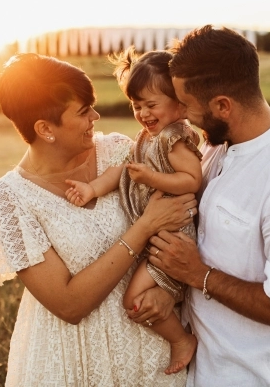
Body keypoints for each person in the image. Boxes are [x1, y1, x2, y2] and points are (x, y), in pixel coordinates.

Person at [0, 53, 198, 386]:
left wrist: (170, 291)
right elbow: (68, 305)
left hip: (151, 353)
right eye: (82, 111)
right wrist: (144, 226)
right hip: (70, 361)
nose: (95, 115)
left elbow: (184, 220)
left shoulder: (122, 152)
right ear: (45, 129)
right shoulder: (9, 199)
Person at [145, 25, 270, 386]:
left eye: (186, 104)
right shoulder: (218, 145)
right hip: (197, 371)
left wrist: (197, 274)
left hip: (248, 377)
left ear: (222, 106)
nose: (182, 114)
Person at [64, 47, 200, 375]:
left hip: (172, 235)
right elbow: (122, 171)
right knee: (141, 297)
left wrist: (153, 177)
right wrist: (92, 189)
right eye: (136, 106)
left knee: (133, 300)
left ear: (180, 104)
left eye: (151, 105)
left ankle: (182, 340)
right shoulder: (145, 138)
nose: (142, 113)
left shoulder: (174, 140)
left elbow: (192, 179)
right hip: (154, 234)